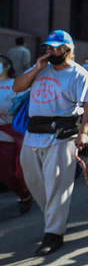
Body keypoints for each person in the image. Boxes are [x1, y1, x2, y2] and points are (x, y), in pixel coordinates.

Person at [14, 30, 88, 256]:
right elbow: (18, 87)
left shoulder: (79, 74)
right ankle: (55, 215)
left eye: (54, 47)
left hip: (61, 135)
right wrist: (37, 68)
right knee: (32, 180)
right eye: (48, 47)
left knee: (57, 184)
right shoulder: (40, 70)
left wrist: (84, 132)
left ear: (67, 50)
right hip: (33, 133)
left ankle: (54, 233)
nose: (49, 51)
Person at [0, 55, 33, 214]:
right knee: (5, 173)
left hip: (15, 134)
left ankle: (29, 193)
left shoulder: (17, 84)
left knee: (20, 171)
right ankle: (24, 195)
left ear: (7, 67)